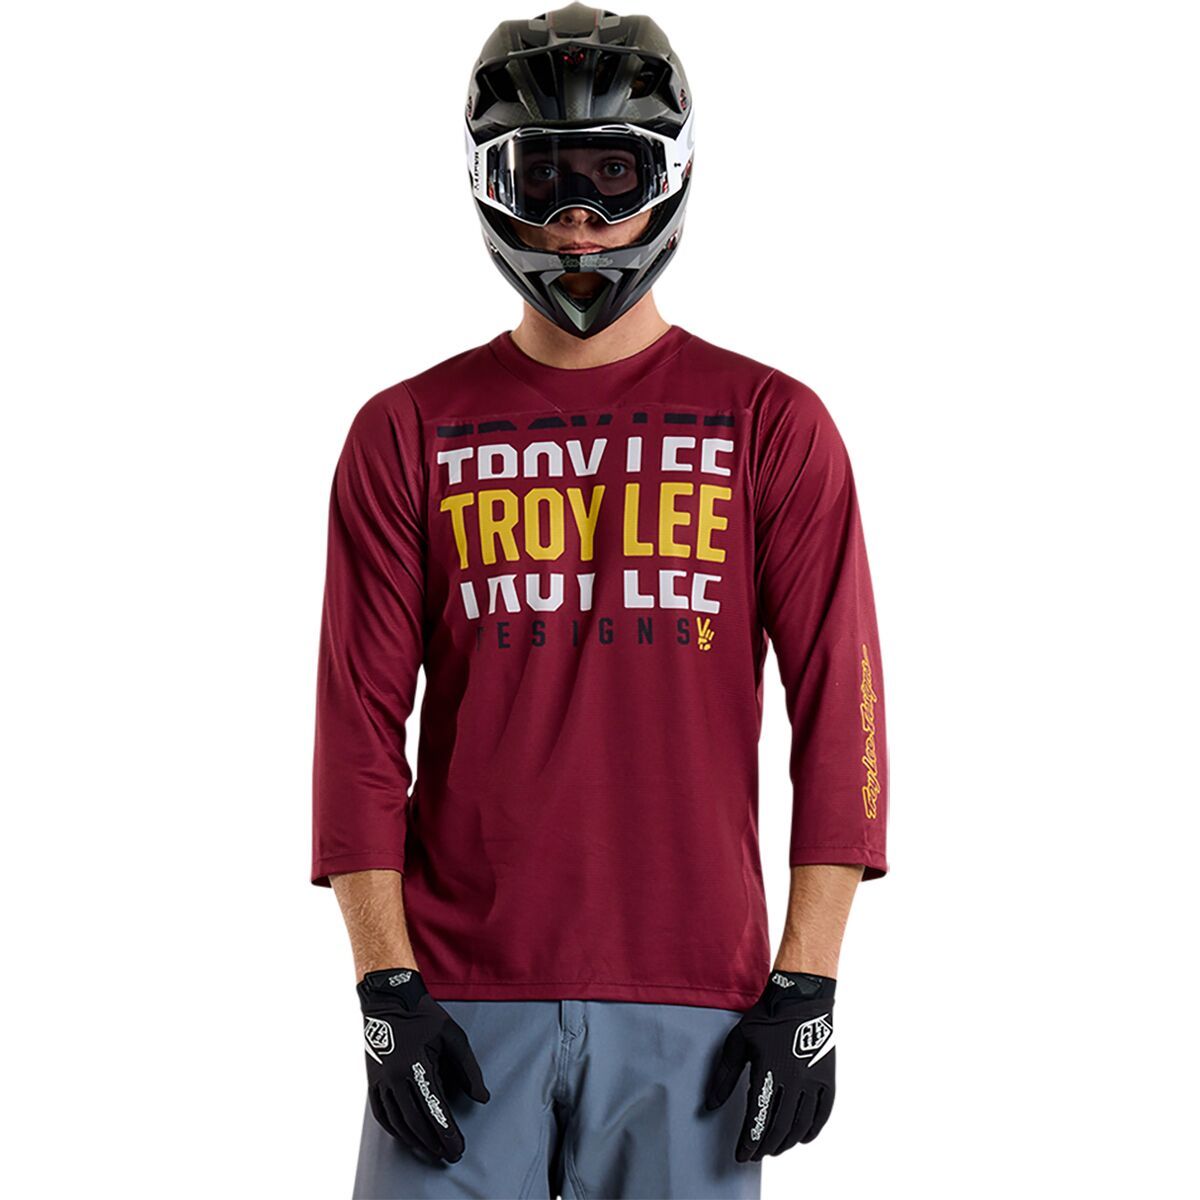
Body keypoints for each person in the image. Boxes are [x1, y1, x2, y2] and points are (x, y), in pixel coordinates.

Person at [311, 4, 889, 1197]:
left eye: (611, 173)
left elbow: (846, 714)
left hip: (698, 1002)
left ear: (669, 172)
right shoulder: (405, 431)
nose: (578, 216)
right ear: (491, 181)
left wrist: (809, 982)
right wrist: (383, 985)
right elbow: (355, 727)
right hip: (459, 999)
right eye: (544, 176)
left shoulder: (773, 425)